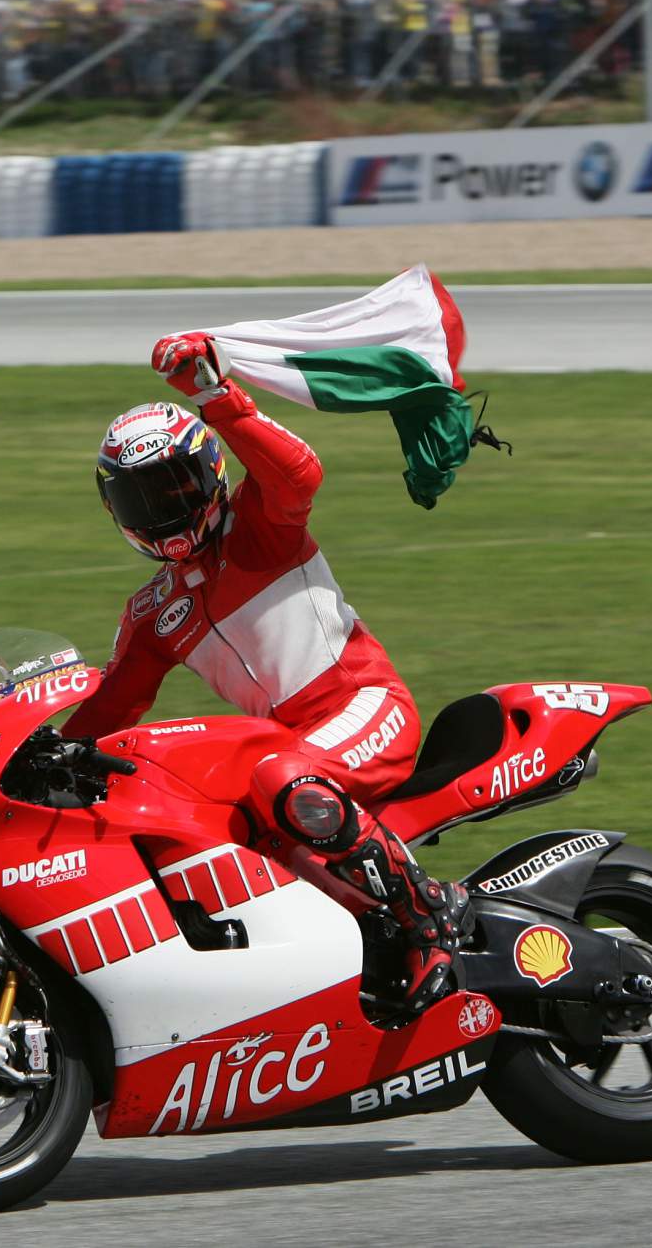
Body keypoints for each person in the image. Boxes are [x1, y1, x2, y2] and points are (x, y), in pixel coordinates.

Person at [63, 333, 470, 1014]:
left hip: (367, 705)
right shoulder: (151, 615)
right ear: (117, 513)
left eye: (176, 486)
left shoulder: (260, 524)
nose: (164, 511)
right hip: (285, 750)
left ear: (211, 473)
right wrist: (22, 754)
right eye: (143, 500)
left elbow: (301, 473)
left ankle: (429, 915)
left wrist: (213, 395)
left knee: (282, 780)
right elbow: (108, 710)